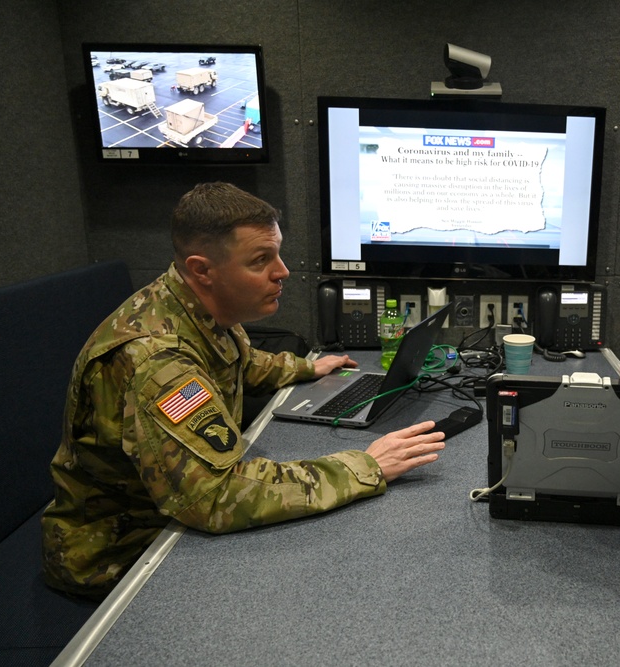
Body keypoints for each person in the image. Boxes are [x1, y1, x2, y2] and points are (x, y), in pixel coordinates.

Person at [41, 182, 447, 599]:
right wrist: (364, 467)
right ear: (202, 270)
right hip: (121, 555)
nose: (283, 271)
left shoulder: (199, 306)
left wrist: (307, 366)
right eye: (260, 260)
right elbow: (216, 498)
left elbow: (243, 364)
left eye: (277, 253)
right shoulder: (156, 360)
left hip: (169, 521)